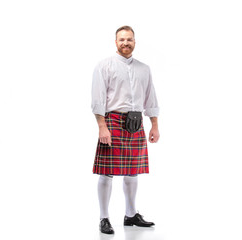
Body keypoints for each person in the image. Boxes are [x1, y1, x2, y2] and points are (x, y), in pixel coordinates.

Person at [91, 25, 160, 235]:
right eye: (121, 39)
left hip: (136, 123)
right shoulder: (105, 66)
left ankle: (130, 215)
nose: (125, 43)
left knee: (133, 172)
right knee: (107, 172)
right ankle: (104, 218)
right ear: (115, 42)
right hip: (112, 122)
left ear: (134, 42)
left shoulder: (144, 69)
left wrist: (154, 125)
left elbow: (150, 98)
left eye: (129, 39)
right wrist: (102, 126)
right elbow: (98, 99)